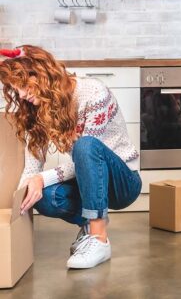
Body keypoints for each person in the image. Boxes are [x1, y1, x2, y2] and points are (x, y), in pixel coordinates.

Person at [0, 45, 142, 269]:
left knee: (84, 146)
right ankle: (90, 223)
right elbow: (32, 164)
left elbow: (88, 156)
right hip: (88, 183)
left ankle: (99, 239)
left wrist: (42, 178)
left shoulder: (93, 92)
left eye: (25, 86)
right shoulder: (39, 107)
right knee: (41, 196)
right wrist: (16, 208)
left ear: (44, 75)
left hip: (122, 183)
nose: (22, 95)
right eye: (17, 90)